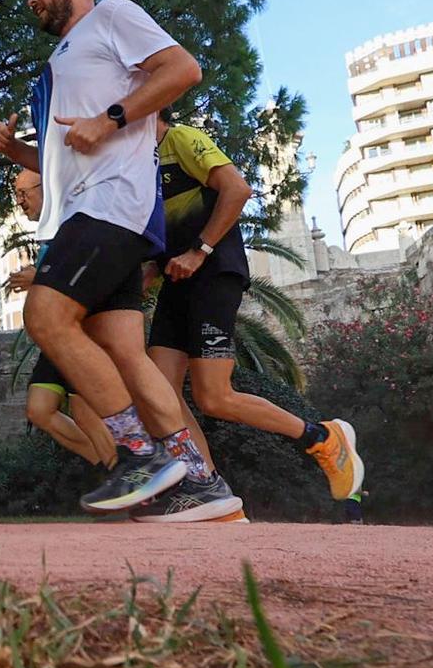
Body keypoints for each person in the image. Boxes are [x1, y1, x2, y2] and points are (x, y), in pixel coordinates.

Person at [0, 0, 238, 518]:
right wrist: (16, 152)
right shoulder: (60, 58)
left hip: (112, 204)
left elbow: (182, 69)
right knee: (124, 351)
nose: (31, 0)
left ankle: (138, 455)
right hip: (88, 203)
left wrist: (113, 118)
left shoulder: (113, 15)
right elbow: (67, 156)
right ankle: (200, 481)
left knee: (46, 317)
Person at [142, 116, 364, 505]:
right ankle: (206, 486)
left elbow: (237, 189)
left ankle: (322, 437)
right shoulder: (141, 168)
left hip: (213, 276)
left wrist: (199, 251)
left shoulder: (181, 139)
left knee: (214, 397)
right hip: (176, 285)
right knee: (158, 392)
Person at [3, 170, 118, 470]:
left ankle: (127, 474)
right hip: (55, 337)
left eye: (23, 193)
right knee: (39, 410)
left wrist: (38, 276)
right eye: (17, 195)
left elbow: (89, 275)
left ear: (46, 188)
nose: (20, 202)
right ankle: (108, 466)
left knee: (83, 410)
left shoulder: (76, 221)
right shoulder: (49, 233)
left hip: (80, 332)